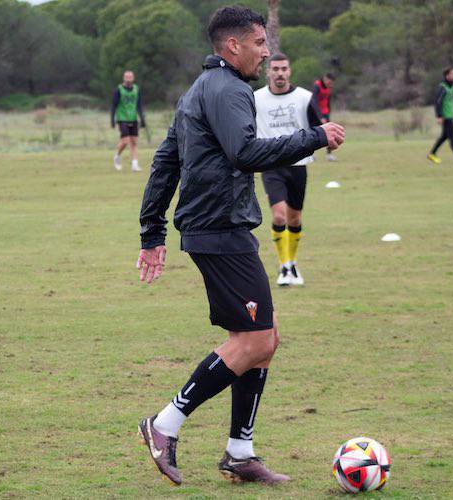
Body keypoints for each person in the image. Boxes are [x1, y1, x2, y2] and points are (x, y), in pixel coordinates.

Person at [135, 6, 345, 486]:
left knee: (264, 340)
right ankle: (164, 425)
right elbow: (245, 154)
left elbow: (165, 162)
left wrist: (152, 233)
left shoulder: (197, 90)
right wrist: (313, 137)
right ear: (233, 46)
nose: (267, 51)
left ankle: (239, 452)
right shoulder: (229, 91)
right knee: (252, 340)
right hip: (219, 229)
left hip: (220, 228)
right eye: (259, 43)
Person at [254, 53, 321, 286]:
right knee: (279, 215)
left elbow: (317, 128)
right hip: (271, 165)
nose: (280, 73)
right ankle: (283, 267)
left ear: (289, 71)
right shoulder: (256, 98)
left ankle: (292, 263)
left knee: (295, 218)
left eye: (284, 69)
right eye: (275, 69)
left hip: (299, 165)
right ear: (268, 72)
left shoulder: (304, 97)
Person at [428, 67, 453, 165]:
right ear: (447, 76)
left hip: (449, 115)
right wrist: (439, 116)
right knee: (452, 136)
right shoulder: (442, 88)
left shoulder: (450, 88)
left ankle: (432, 154)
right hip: (445, 116)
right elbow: (438, 102)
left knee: (444, 136)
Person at [111, 70, 147, 171]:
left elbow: (139, 105)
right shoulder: (119, 89)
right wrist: (112, 119)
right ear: (124, 78)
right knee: (125, 141)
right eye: (126, 77)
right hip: (122, 118)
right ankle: (117, 156)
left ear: (133, 78)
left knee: (134, 142)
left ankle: (135, 164)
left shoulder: (136, 89)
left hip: (133, 118)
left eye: (130, 77)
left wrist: (142, 118)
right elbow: (114, 105)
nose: (128, 79)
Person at [312, 73, 337, 161]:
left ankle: (329, 154)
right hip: (316, 114)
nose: (330, 85)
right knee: (314, 134)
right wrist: (320, 116)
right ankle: (311, 154)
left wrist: (328, 112)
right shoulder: (317, 86)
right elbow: (314, 101)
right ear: (325, 79)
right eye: (329, 82)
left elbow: (328, 100)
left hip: (325, 113)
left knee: (330, 134)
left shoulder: (329, 87)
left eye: (332, 83)